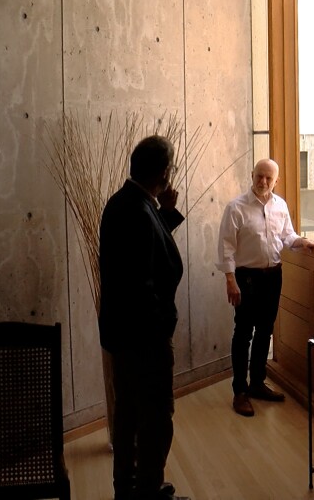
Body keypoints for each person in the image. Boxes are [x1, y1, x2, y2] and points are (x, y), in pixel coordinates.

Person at [98, 135, 190, 500]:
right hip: (144, 340)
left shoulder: (126, 202)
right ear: (165, 172)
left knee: (129, 417)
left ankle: (129, 490)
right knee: (155, 420)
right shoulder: (137, 211)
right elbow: (143, 283)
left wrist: (165, 213)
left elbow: (144, 254)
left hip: (125, 335)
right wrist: (161, 329)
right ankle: (147, 491)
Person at [216, 158, 314, 417]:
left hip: (273, 276)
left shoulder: (280, 205)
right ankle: (240, 391)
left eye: (268, 178)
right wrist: (230, 280)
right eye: (259, 176)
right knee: (243, 333)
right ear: (252, 175)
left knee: (265, 331)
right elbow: (226, 247)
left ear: (276, 181)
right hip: (246, 278)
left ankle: (257, 383)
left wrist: (303, 242)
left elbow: (287, 236)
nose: (263, 182)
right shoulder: (236, 208)